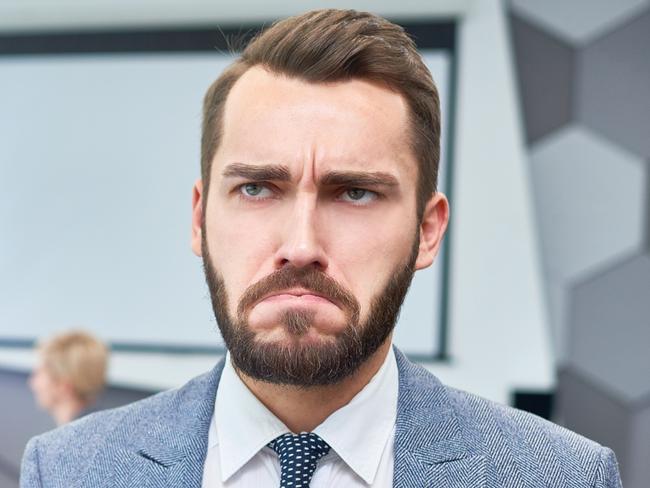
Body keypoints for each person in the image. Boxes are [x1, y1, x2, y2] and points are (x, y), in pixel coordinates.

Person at [21, 9, 622, 488]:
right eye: (257, 188)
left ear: (428, 230)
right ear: (200, 218)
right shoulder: (67, 470)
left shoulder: (560, 476)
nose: (301, 246)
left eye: (355, 193)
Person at [28, 330, 108, 426]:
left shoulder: (62, 439)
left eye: (39, 373)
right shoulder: (105, 427)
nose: (32, 382)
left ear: (64, 386)